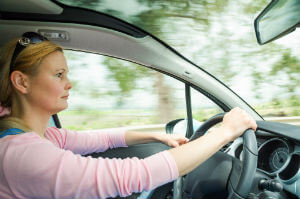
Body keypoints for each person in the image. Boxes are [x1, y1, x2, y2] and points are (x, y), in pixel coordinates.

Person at [0, 32, 257, 199]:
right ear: (22, 82)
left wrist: (155, 135)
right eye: (59, 75)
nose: (69, 84)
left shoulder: (45, 136)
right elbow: (135, 174)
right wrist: (224, 132)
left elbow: (101, 139)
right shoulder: (23, 154)